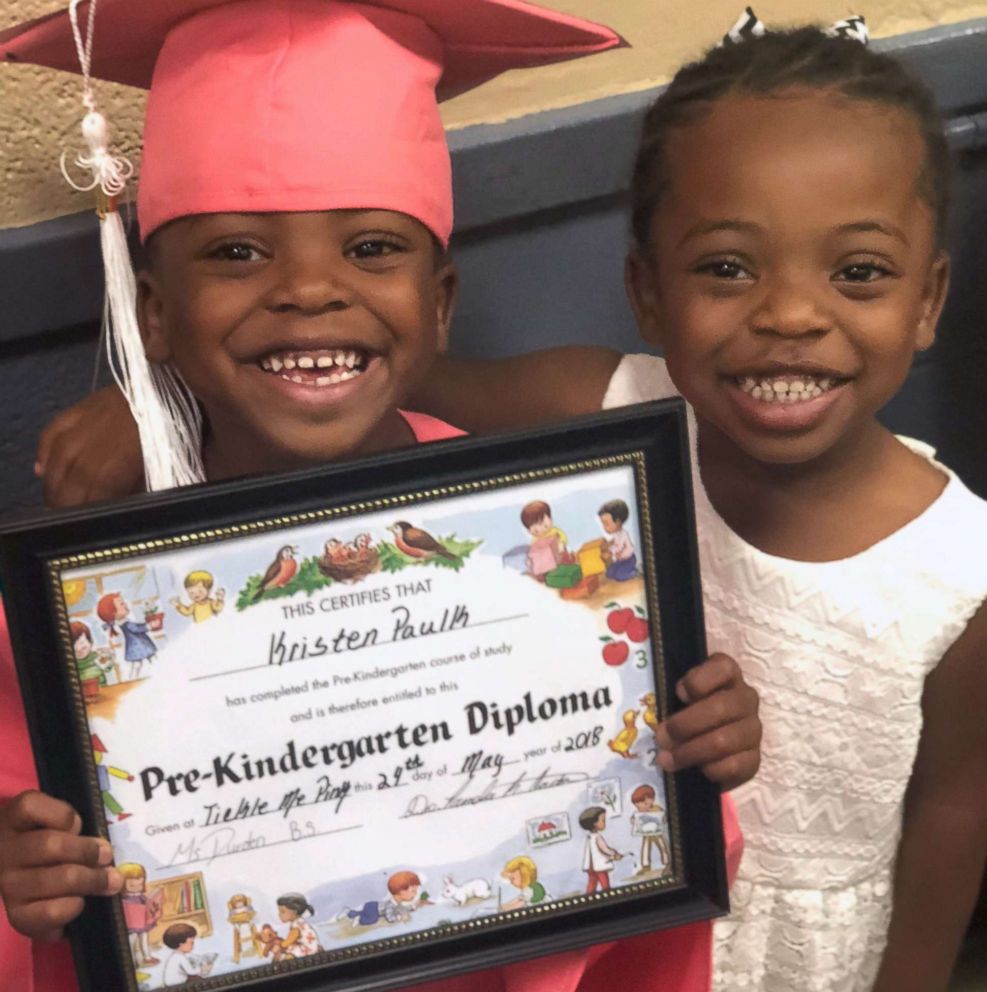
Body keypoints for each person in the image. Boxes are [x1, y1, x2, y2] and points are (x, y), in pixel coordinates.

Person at [52, 16, 987, 990]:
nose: (792, 314)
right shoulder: (590, 414)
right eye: (727, 266)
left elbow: (956, 810)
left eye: (859, 271)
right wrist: (158, 395)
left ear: (928, 301)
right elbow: (380, 382)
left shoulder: (959, 567)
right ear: (649, 293)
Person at [579, 807, 623, 894]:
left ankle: (590, 895)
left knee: (592, 881)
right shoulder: (598, 837)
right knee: (604, 880)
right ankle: (607, 893)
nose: (605, 823)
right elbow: (604, 849)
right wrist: (615, 853)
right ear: (595, 823)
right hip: (599, 865)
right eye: (603, 820)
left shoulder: (589, 837)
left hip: (590, 866)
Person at [275, 892, 322, 958]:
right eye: (279, 911)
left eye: (283, 912)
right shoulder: (299, 921)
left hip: (308, 949)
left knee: (290, 952)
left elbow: (291, 939)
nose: (279, 914)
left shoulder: (296, 925)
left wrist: (281, 945)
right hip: (311, 947)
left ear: (294, 912)